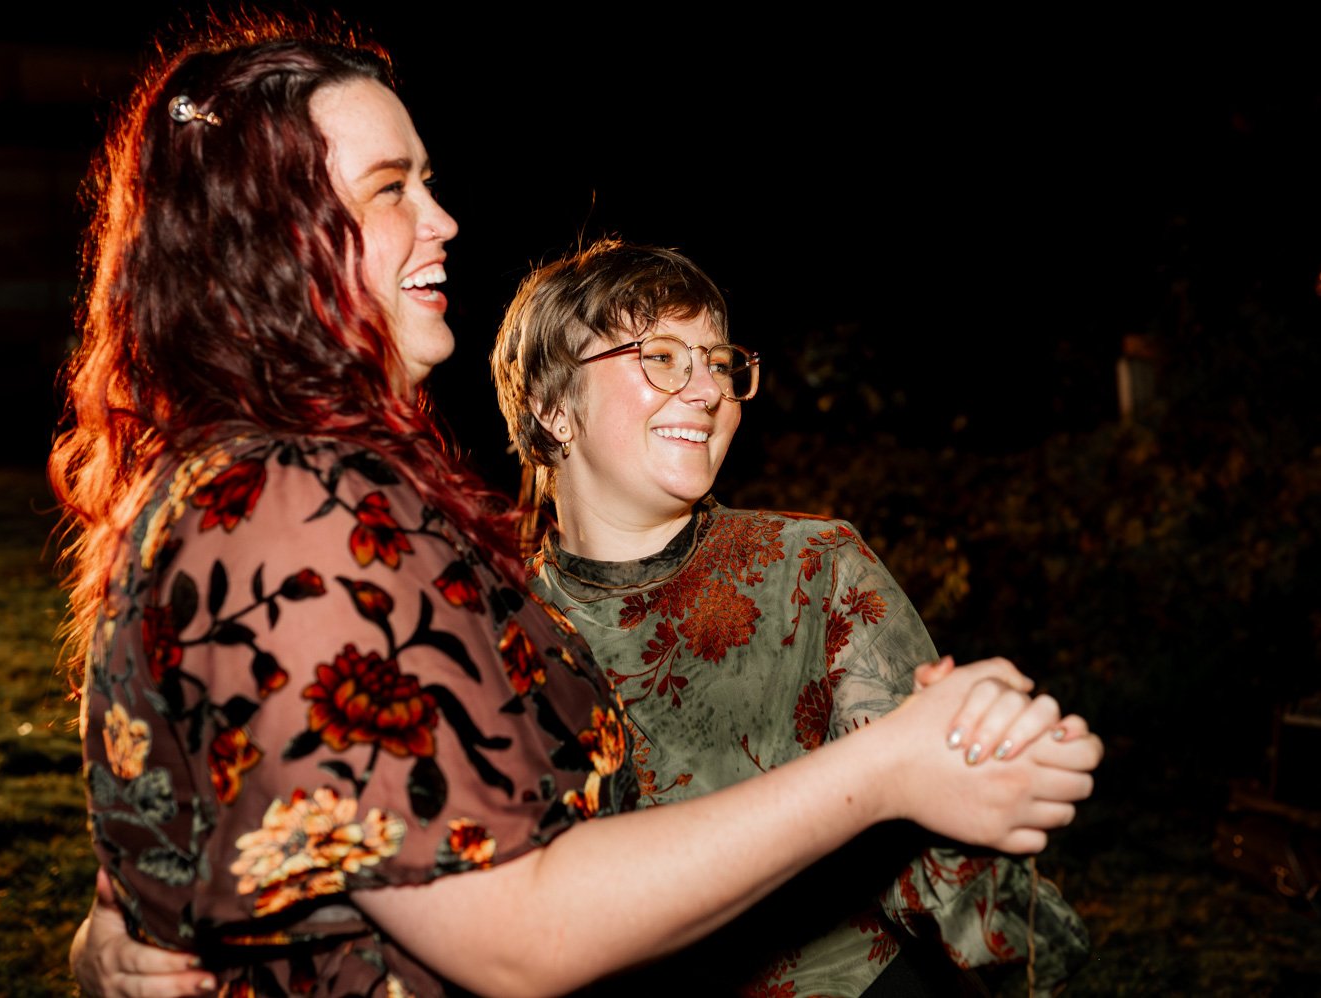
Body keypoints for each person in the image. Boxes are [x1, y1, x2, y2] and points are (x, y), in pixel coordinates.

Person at [56, 18, 1102, 998]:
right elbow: (520, 926)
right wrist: (883, 769)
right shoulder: (292, 510)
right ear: (269, 235)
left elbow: (227, 817)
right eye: (391, 187)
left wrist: (133, 927)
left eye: (717, 362)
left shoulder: (244, 487)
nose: (445, 218)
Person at [487, 238, 1096, 996]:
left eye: (717, 362)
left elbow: (935, 841)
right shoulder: (490, 624)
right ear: (552, 408)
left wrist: (992, 765)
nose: (708, 390)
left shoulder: (811, 567)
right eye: (664, 357)